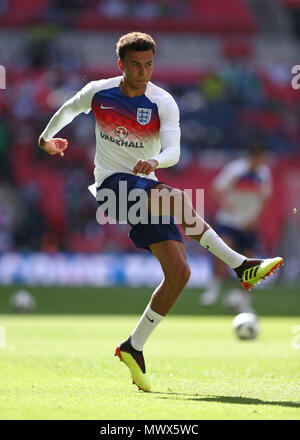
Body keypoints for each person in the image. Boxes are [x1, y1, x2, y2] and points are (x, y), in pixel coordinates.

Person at [38, 32, 283, 392]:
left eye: (149, 64)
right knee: (176, 197)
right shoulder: (99, 91)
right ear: (120, 64)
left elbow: (174, 152)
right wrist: (45, 139)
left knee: (179, 273)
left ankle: (133, 347)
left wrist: (155, 160)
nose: (143, 71)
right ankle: (241, 266)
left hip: (144, 182)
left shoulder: (162, 102)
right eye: (135, 65)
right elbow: (70, 107)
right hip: (111, 187)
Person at [199, 145, 273, 312]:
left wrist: (255, 219)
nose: (261, 161)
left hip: (248, 223)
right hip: (229, 220)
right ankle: (213, 291)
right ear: (252, 156)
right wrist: (226, 204)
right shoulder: (235, 169)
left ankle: (244, 299)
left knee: (248, 261)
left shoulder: (264, 173)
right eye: (259, 158)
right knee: (222, 252)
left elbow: (265, 198)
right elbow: (216, 188)